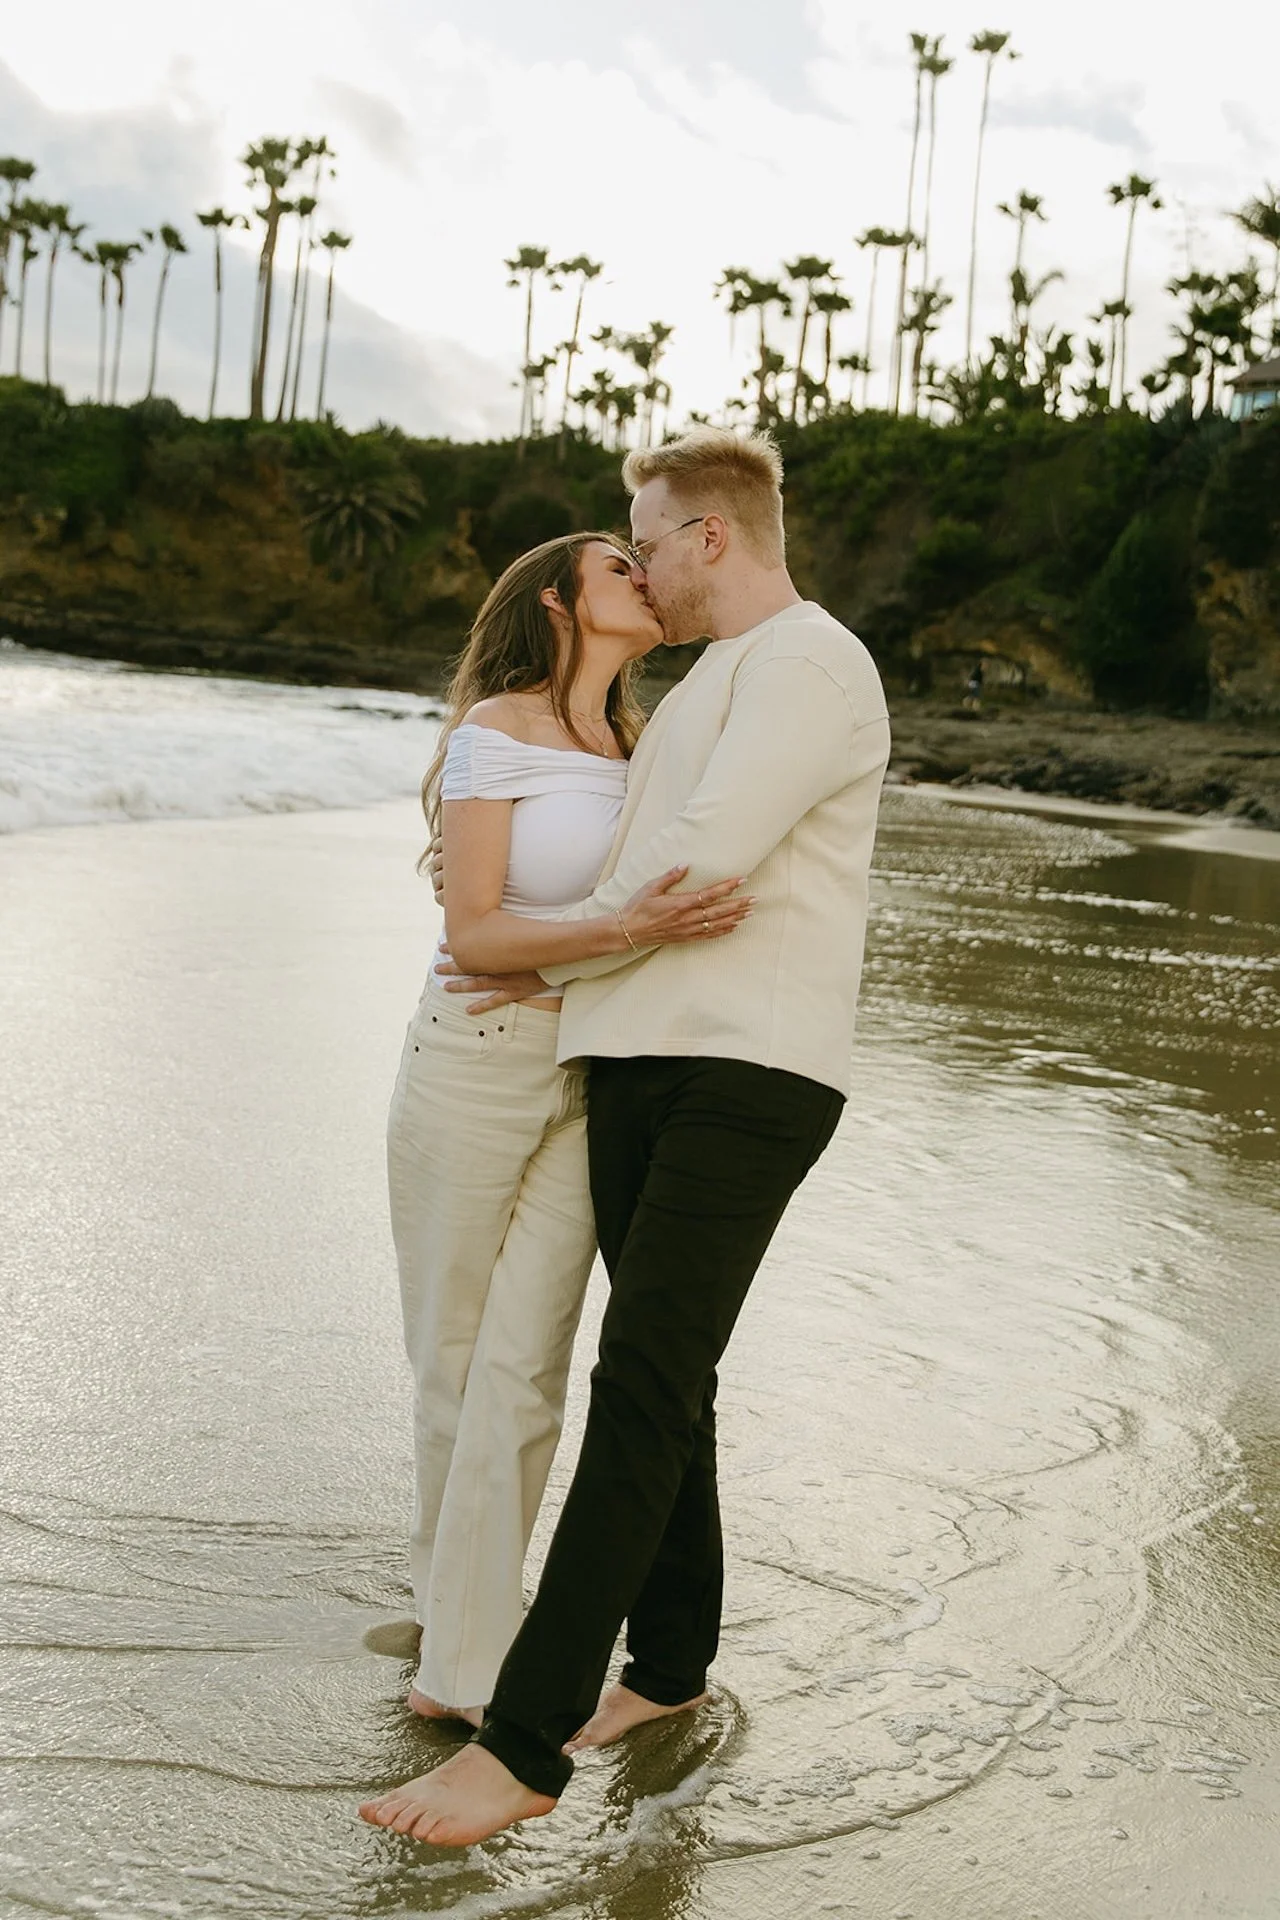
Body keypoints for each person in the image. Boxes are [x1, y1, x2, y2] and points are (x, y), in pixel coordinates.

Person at [359, 427, 890, 1847]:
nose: (643, 566)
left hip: (745, 1070)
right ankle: (665, 1670)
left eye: (647, 538)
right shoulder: (708, 680)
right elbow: (622, 877)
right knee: (670, 1378)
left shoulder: (815, 665)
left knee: (640, 1379)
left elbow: (693, 863)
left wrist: (532, 963)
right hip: (634, 1063)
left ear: (709, 534)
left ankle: (521, 1746)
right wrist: (549, 960)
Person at [384, 531, 750, 1730]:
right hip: (473, 1062)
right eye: (613, 566)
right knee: (452, 1364)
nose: (641, 577)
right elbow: (476, 935)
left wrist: (590, 967)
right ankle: (460, 1647)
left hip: (593, 1073)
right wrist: (611, 940)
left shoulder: (644, 747)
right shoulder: (498, 729)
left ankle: (460, 1650)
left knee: (529, 1370)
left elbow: (652, 916)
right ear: (556, 602)